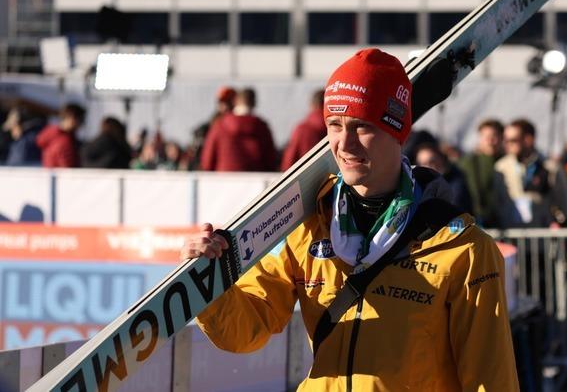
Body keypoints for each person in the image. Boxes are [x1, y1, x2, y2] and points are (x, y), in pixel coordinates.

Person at [182, 49, 518, 391]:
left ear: (397, 130)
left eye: (362, 126)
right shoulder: (311, 225)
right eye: (335, 125)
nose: (344, 143)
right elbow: (245, 332)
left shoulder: (464, 249)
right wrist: (209, 282)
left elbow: (491, 380)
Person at [494, 119, 567, 228]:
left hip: (542, 235)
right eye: (505, 140)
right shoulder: (501, 167)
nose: (507, 145)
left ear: (528, 140)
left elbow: (564, 205)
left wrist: (560, 223)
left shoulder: (550, 167)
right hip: (511, 234)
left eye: (512, 140)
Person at [200, 88, 277, 172]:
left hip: (223, 180)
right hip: (255, 180)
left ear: (235, 102)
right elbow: (271, 161)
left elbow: (207, 161)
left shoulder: (220, 126)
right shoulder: (262, 127)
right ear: (254, 103)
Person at [457, 119, 503, 227]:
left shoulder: (507, 161)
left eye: (494, 136)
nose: (491, 141)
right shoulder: (469, 163)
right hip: (478, 221)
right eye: (486, 137)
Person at [414, 141, 474, 214]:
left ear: (441, 159)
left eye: (432, 161)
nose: (428, 166)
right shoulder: (416, 187)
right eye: (423, 163)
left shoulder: (456, 179)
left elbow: (455, 206)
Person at [280, 89, 327, 171]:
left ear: (312, 105)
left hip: (306, 177)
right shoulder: (338, 128)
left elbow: (289, 160)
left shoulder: (302, 129)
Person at [36, 103, 86, 168]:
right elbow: (68, 167)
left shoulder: (50, 134)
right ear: (72, 118)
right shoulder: (65, 141)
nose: (82, 124)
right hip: (63, 176)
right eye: (81, 120)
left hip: (51, 175)